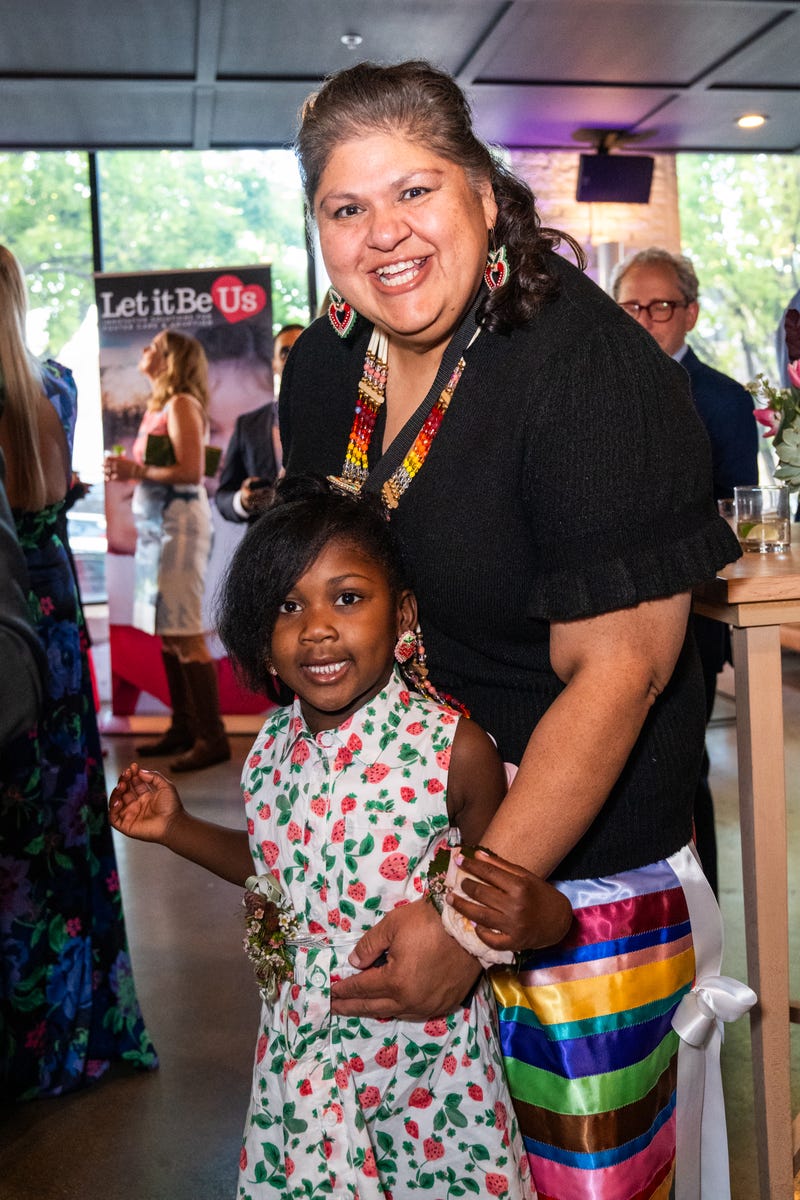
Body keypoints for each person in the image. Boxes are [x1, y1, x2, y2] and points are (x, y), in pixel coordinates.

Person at [277, 61, 746, 1199]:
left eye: (415, 191)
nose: (384, 235)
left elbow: (619, 672)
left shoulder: (584, 371)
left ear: (484, 194)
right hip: (394, 856)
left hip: (564, 882)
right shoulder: (329, 364)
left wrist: (466, 919)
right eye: (348, 208)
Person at [109, 477, 570, 1199]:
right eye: (289, 606)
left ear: (402, 615)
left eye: (347, 598)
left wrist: (545, 918)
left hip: (428, 1067)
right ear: (263, 634)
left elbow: (509, 892)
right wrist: (178, 829)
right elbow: (274, 872)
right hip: (304, 1060)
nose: (317, 627)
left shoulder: (452, 749)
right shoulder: (268, 748)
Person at [0, 243, 157, 1099]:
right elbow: (57, 489)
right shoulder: (52, 384)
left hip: (6, 614)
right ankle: (76, 1025)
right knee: (66, 832)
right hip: (52, 624)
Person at [612, 246, 759, 896]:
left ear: (690, 313)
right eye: (631, 307)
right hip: (609, 618)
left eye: (661, 307)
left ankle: (705, 918)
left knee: (683, 765)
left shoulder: (723, 399)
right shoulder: (594, 394)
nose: (646, 320)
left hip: (692, 615)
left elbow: (733, 517)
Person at [104, 329, 231, 771]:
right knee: (167, 628)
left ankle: (212, 737)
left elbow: (191, 470)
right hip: (159, 527)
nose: (144, 352)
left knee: (184, 628)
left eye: (153, 347)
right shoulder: (161, 406)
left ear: (170, 359)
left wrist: (132, 468)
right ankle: (184, 727)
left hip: (179, 525)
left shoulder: (180, 404)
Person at [215, 324, 304, 523]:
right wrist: (243, 501)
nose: (294, 356)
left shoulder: (337, 417)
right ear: (274, 364)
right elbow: (223, 496)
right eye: (285, 352)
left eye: (302, 348)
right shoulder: (247, 426)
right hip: (264, 541)